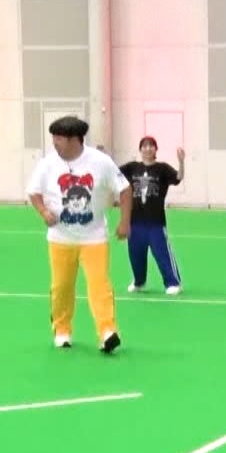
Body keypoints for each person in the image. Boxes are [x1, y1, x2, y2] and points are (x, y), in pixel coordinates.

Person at [27, 115, 131, 352]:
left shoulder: (101, 162)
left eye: (58, 138)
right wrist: (43, 212)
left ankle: (107, 331)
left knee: (100, 285)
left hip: (94, 237)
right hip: (60, 238)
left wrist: (125, 222)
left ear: (74, 139)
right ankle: (62, 330)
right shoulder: (47, 164)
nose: (54, 143)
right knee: (61, 287)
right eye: (53, 137)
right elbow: (33, 192)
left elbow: (125, 190)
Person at [118, 136, 185, 294]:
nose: (148, 148)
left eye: (151, 146)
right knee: (136, 254)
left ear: (156, 149)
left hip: (155, 222)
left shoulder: (162, 168)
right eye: (144, 146)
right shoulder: (132, 167)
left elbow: (178, 178)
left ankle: (173, 283)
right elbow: (113, 172)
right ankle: (139, 282)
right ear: (140, 149)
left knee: (162, 253)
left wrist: (181, 162)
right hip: (135, 222)